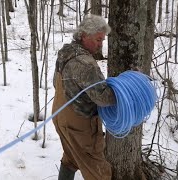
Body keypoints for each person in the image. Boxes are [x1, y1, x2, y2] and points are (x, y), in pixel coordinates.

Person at [52, 15, 116, 180]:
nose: (100, 44)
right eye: (98, 39)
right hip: (81, 126)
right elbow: (104, 98)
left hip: (60, 117)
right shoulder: (86, 64)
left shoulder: (65, 52)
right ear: (84, 35)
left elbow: (55, 83)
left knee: (71, 158)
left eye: (102, 40)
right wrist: (124, 93)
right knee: (99, 173)